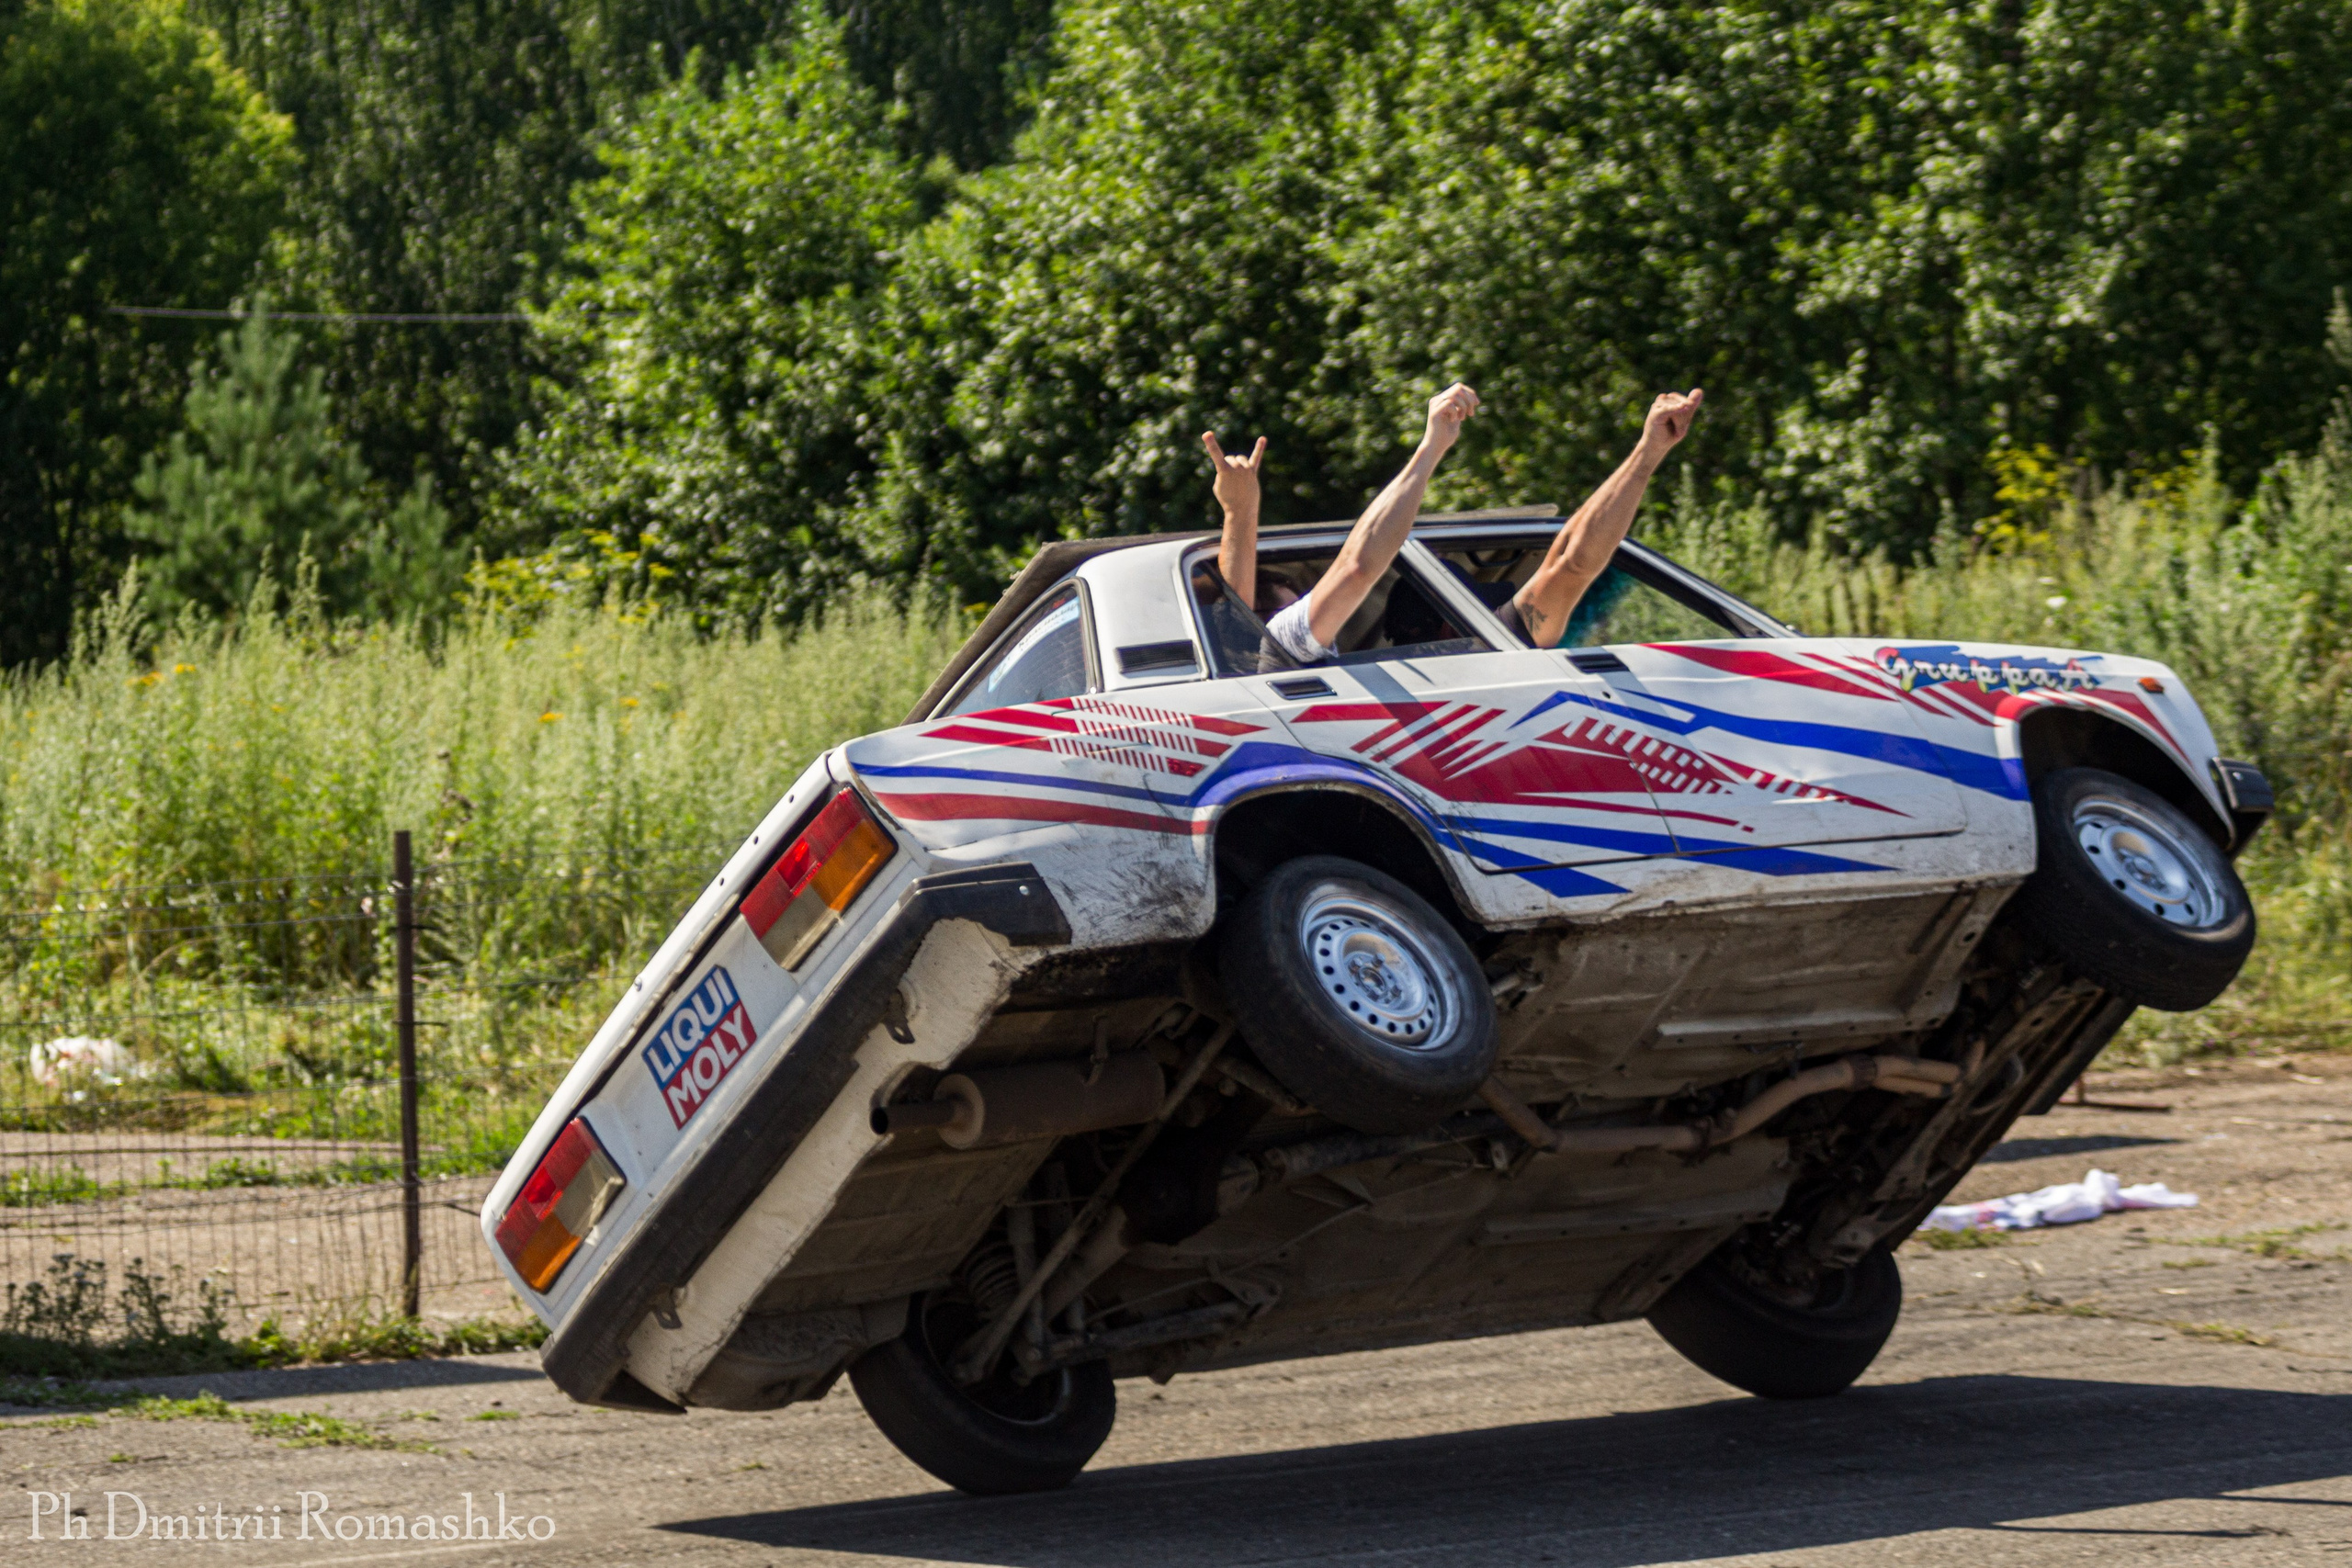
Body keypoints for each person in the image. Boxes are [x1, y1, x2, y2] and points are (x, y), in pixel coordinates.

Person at [1202, 385, 1704, 659]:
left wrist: (1650, 449)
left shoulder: (1496, 641)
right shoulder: (1281, 649)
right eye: (1293, 596)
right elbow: (1355, 567)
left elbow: (1571, 562)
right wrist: (1431, 445)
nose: (1316, 605)